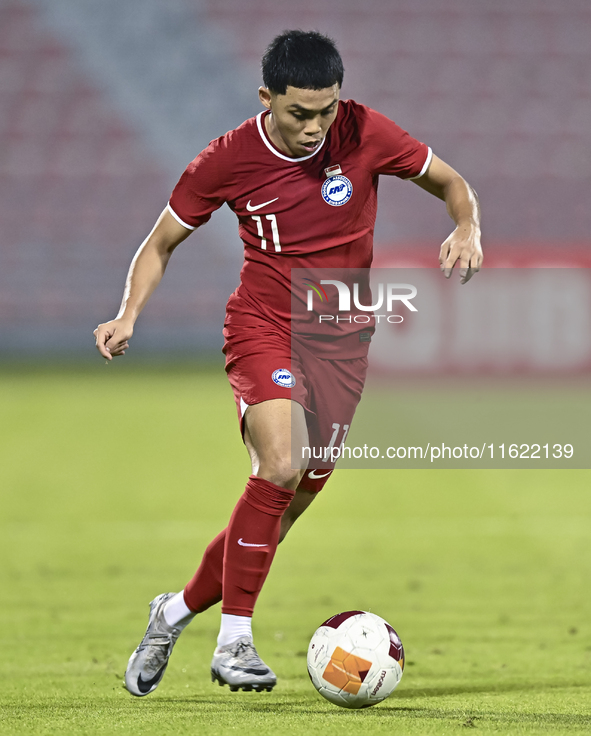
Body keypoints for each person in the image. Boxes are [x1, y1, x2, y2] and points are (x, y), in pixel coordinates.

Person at [94, 30, 482, 696]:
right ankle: (234, 643)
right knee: (278, 463)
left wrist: (466, 225)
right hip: (264, 324)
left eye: (325, 110)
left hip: (340, 339)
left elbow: (451, 183)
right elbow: (160, 244)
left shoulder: (365, 132)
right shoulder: (226, 159)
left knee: (280, 511)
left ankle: (175, 610)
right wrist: (128, 313)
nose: (314, 127)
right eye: (299, 112)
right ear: (266, 98)